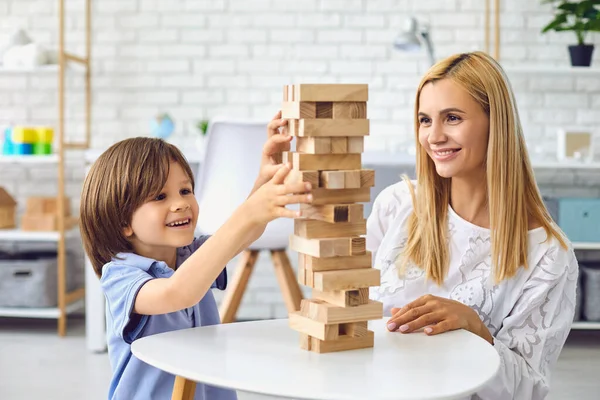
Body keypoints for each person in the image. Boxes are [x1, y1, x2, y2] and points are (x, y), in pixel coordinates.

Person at [366, 51, 578, 399]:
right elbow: (347, 309)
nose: (434, 136)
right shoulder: (397, 206)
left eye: (452, 118)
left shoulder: (548, 256)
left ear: (496, 122)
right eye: (424, 120)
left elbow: (527, 389)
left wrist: (476, 329)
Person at [79, 114, 310, 400]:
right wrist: (250, 211)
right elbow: (177, 293)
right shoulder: (121, 276)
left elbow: (244, 235)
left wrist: (266, 179)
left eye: (185, 190)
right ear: (123, 222)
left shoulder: (191, 255)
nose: (181, 204)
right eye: (159, 197)